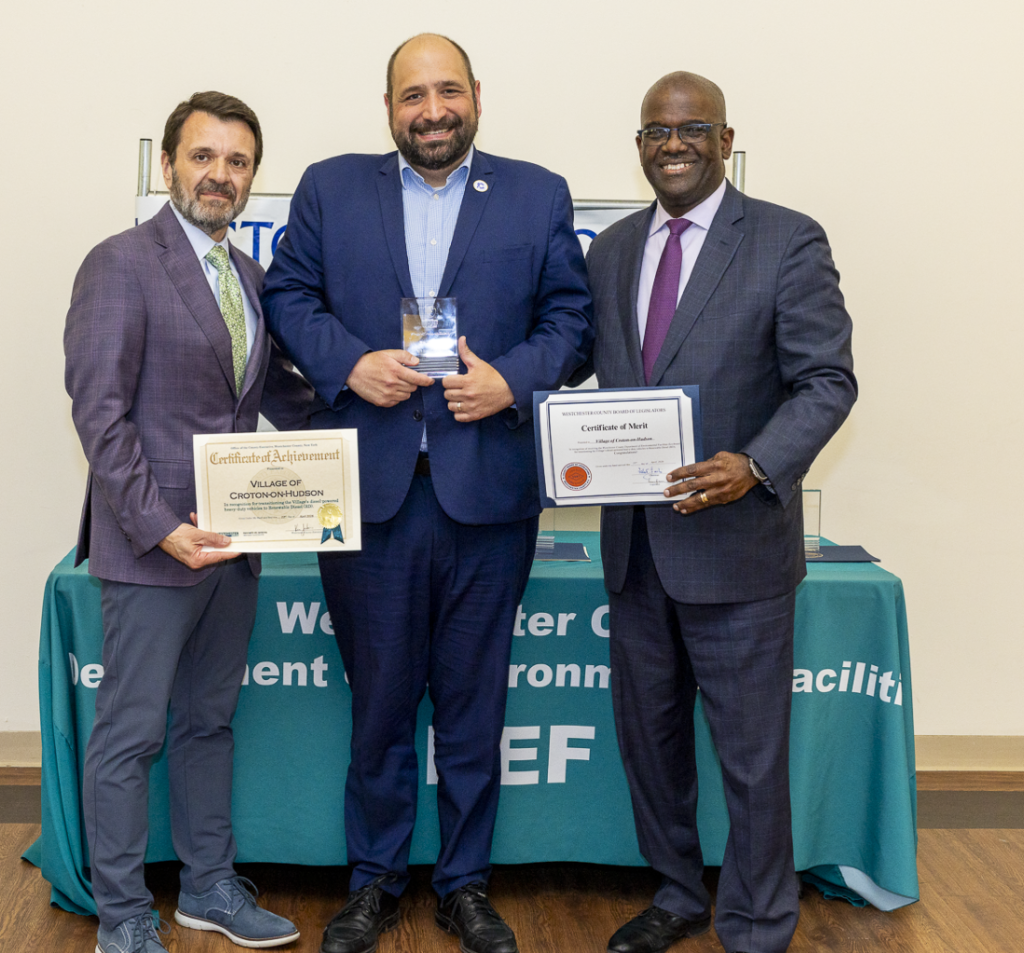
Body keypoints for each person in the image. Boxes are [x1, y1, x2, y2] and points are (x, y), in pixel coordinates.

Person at [261, 33, 592, 953]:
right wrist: (348, 363)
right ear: (389, 107)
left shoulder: (538, 193)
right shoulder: (330, 187)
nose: (433, 111)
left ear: (477, 94)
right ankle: (374, 880)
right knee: (380, 706)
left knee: (474, 706)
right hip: (370, 497)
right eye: (414, 95)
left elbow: (572, 318)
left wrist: (512, 380)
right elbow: (287, 297)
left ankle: (465, 884)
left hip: (488, 496)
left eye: (448, 91)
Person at [578, 73, 857, 953]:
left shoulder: (786, 239)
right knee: (651, 745)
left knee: (751, 758)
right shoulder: (611, 250)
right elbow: (579, 363)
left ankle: (758, 922)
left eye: (693, 128)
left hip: (739, 554)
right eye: (657, 132)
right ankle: (676, 893)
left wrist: (756, 463)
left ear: (726, 140)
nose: (674, 144)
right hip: (636, 553)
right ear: (639, 147)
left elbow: (827, 381)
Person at [65, 91, 312, 953]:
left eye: (237, 161)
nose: (220, 174)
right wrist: (162, 526)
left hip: (233, 549)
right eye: (203, 156)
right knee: (130, 735)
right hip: (154, 550)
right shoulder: (120, 263)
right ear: (169, 164)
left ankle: (208, 886)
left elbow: (277, 395)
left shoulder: (249, 276)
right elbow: (99, 415)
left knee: (209, 723)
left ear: (252, 178)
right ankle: (123, 914)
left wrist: (378, 416)